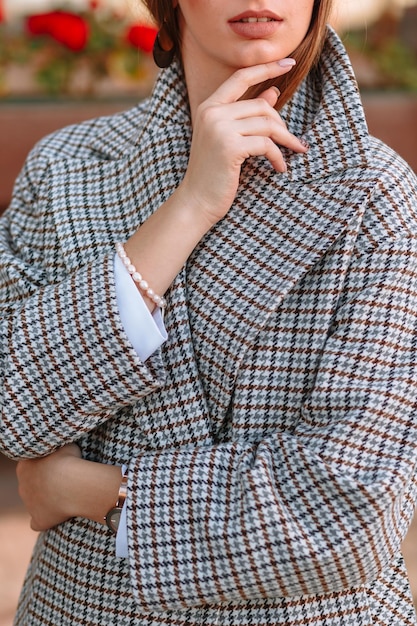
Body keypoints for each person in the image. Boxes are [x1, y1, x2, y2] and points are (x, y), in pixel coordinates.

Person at [1, 0, 417, 623]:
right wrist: (190, 203)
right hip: (81, 608)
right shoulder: (66, 166)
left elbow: (350, 511)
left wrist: (101, 491)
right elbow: (12, 405)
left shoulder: (376, 193)